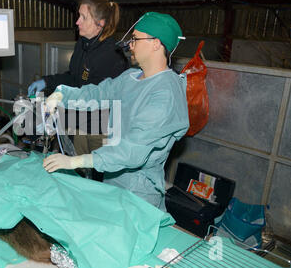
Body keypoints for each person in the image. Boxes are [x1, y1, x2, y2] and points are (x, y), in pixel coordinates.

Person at [42, 12, 189, 211]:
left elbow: (131, 151)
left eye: (136, 39)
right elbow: (98, 93)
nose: (130, 45)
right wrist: (62, 94)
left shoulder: (165, 96)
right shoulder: (131, 77)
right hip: (112, 178)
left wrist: (75, 161)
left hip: (138, 194)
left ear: (156, 43)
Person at [28, 0, 129, 165]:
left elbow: (99, 97)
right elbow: (74, 78)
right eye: (79, 16)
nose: (77, 22)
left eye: (83, 17)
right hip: (83, 124)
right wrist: (47, 81)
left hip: (101, 129)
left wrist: (60, 104)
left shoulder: (112, 55)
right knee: (79, 172)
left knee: (97, 176)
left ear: (100, 23)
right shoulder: (83, 44)